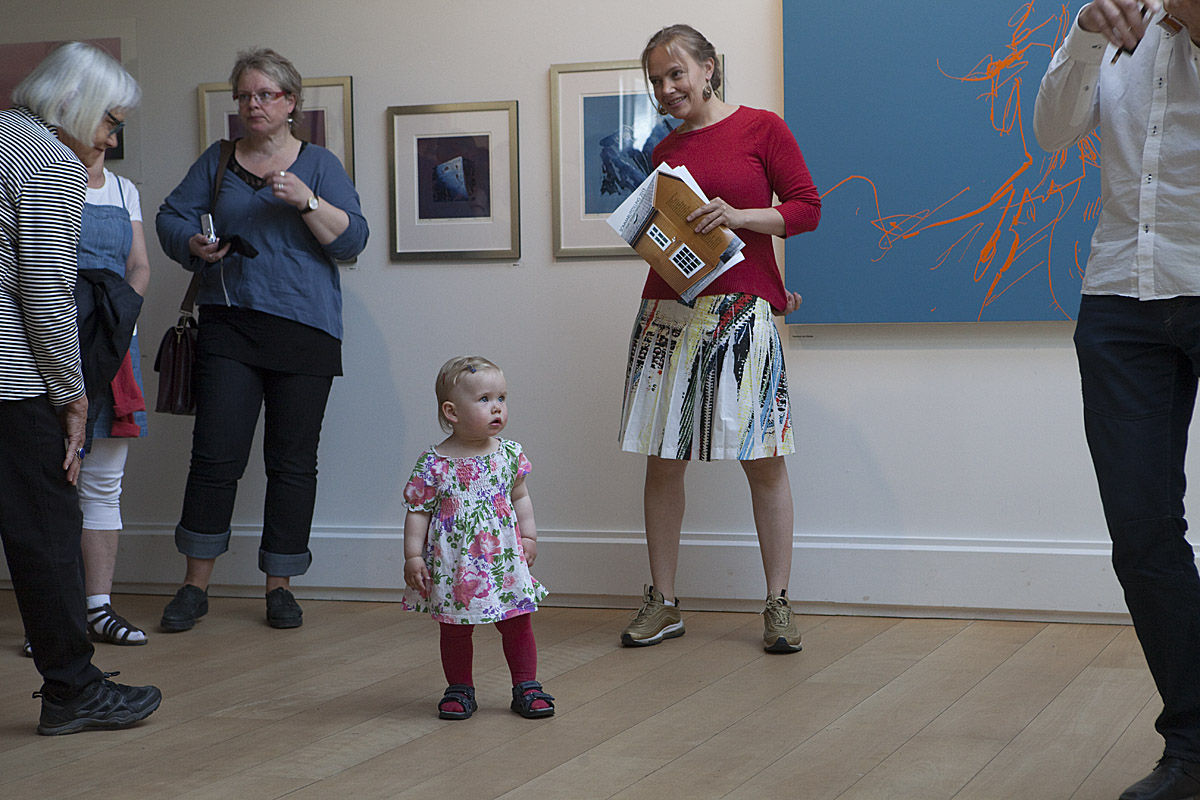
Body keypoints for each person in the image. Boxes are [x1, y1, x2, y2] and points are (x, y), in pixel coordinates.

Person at [1033, 2, 1200, 798]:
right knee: (1141, 534)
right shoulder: (1115, 25)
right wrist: (1085, 33)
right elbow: (1052, 130)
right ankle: (1193, 747)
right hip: (1120, 297)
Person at [617, 25, 821, 653]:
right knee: (662, 460)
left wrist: (739, 218)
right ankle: (663, 601)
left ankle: (778, 603)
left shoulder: (762, 128)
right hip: (666, 313)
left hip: (741, 313)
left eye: (675, 73)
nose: (666, 89)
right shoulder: (661, 151)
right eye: (656, 80)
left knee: (763, 459)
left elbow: (807, 208)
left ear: (709, 68)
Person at [156, 48, 368, 631]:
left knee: (292, 463)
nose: (253, 104)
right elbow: (171, 216)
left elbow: (352, 241)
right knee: (215, 456)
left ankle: (280, 587)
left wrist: (307, 201)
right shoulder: (218, 159)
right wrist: (192, 244)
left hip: (307, 330)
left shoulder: (319, 164)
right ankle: (194, 587)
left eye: (265, 94)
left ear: (290, 102)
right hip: (229, 323)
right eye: (245, 95)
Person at [1, 41, 160, 735]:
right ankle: (72, 689)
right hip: (14, 383)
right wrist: (72, 394)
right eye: (109, 121)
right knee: (47, 531)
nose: (110, 139)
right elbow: (44, 293)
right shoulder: (45, 161)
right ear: (73, 103)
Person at [402, 356, 554, 720]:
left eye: (501, 398)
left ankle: (526, 685)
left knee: (517, 621)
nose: (497, 407)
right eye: (484, 399)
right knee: (455, 628)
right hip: (456, 566)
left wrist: (529, 536)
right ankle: (459, 688)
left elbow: (520, 496)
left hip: (503, 560)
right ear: (452, 412)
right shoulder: (435, 463)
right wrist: (413, 556)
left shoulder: (509, 455)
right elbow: (418, 511)